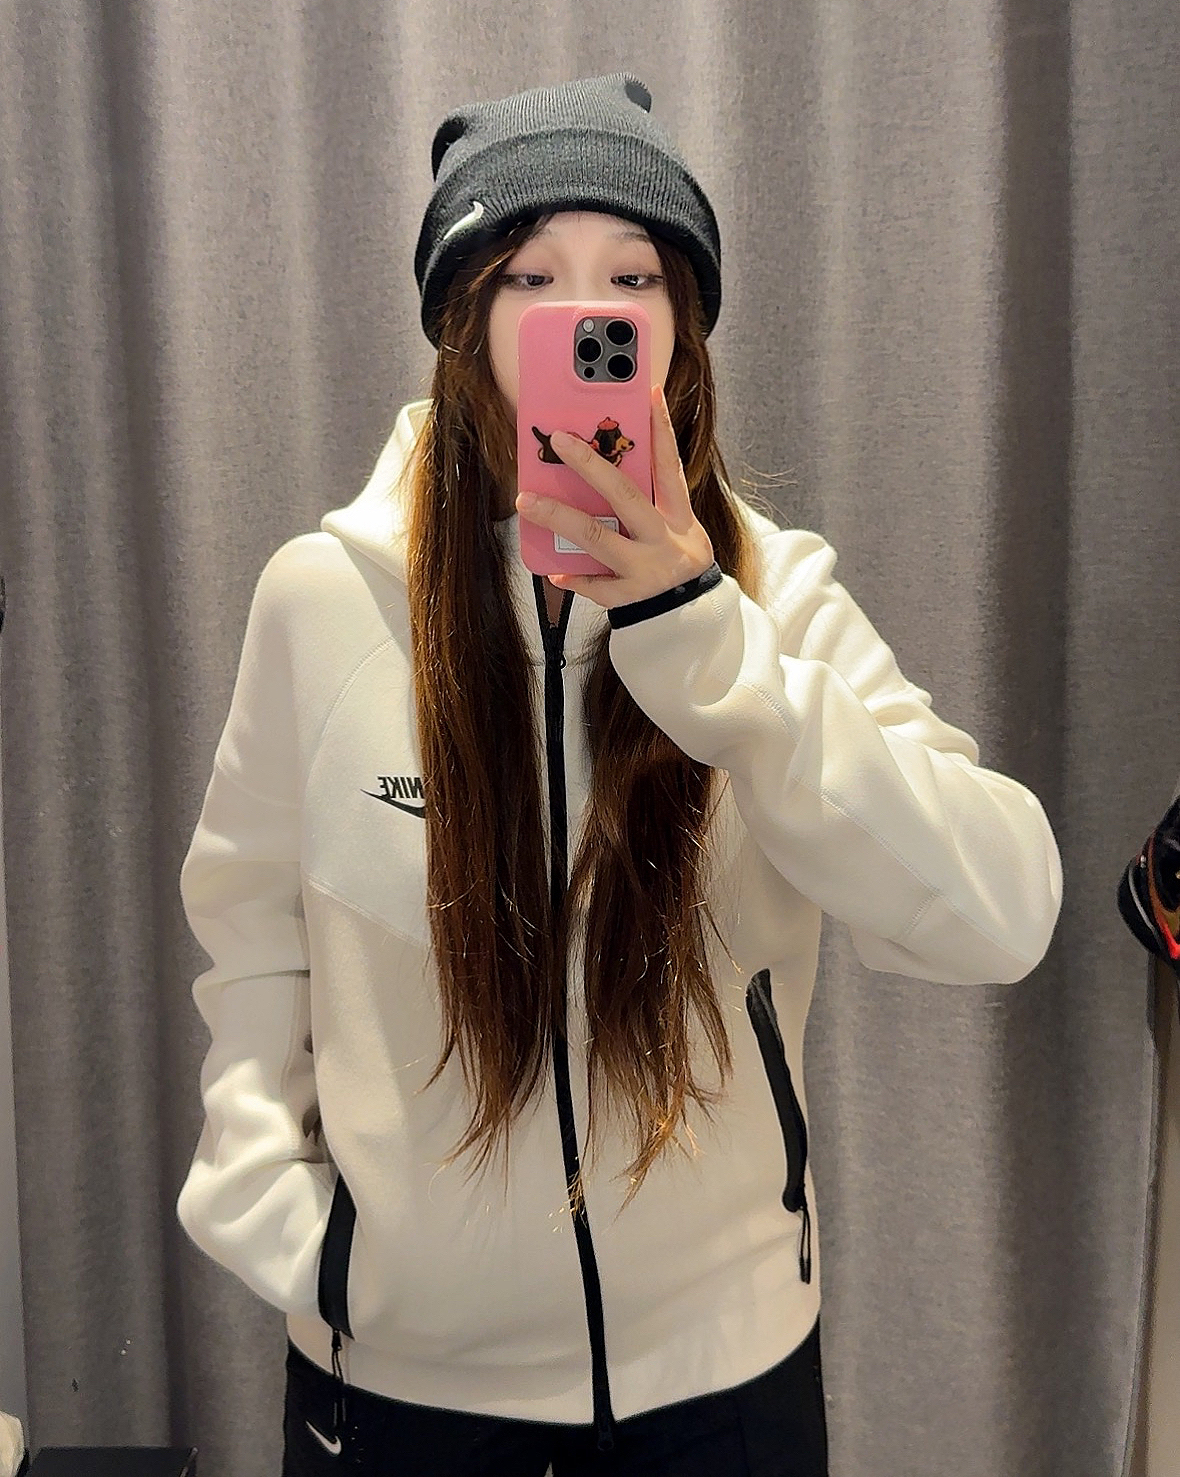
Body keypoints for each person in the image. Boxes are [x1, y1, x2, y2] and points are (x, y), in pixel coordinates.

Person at [176, 74, 1063, 1477]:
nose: (582, 311)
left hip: (722, 1385)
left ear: (677, 332)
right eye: (529, 276)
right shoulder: (320, 603)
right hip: (398, 1388)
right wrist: (307, 1239)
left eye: (631, 278)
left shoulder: (772, 596)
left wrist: (707, 641)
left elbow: (999, 912)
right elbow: (252, 935)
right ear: (464, 324)